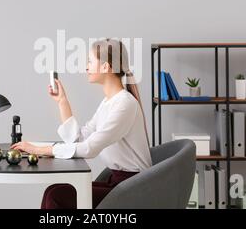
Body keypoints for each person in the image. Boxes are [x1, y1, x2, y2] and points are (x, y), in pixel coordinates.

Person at [11, 38, 152, 208]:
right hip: (118, 181)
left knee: (57, 196)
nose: (86, 67)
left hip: (134, 188)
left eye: (90, 62)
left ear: (106, 67)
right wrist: (62, 101)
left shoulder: (125, 104)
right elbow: (79, 139)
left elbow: (89, 149)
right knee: (53, 190)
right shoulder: (108, 102)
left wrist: (38, 150)